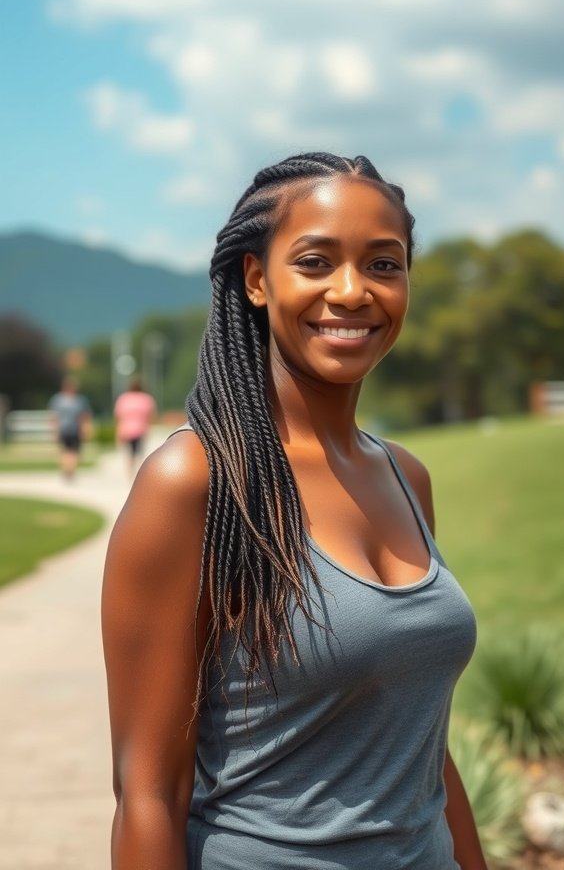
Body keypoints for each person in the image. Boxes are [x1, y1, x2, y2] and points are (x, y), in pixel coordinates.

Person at [102, 152, 487, 870]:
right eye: (315, 262)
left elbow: (422, 748)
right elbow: (148, 791)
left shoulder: (407, 477)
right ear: (256, 279)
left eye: (383, 265)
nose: (352, 292)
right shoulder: (198, 482)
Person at [48, 376, 91, 479]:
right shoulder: (76, 400)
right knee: (69, 451)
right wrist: (54, 430)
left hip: (72, 429)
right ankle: (68, 470)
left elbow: (83, 417)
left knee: (69, 451)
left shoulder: (60, 399)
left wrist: (85, 428)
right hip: (66, 429)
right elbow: (54, 417)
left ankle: (69, 469)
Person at [113, 376, 156, 475]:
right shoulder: (146, 399)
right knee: (139, 452)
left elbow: (119, 416)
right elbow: (150, 416)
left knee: (129, 453)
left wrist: (117, 431)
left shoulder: (123, 398)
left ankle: (130, 471)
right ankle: (138, 472)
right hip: (140, 429)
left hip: (126, 429)